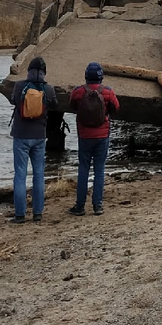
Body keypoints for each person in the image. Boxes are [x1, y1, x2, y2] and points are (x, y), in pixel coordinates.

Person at [6, 56, 57, 223]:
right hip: (39, 137)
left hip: (21, 136)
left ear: (29, 71)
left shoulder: (20, 85)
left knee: (20, 175)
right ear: (44, 72)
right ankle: (37, 213)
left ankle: (20, 215)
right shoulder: (48, 88)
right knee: (39, 174)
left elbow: (13, 100)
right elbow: (55, 104)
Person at [68, 61, 119, 216]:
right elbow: (116, 108)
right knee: (99, 170)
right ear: (101, 77)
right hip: (102, 136)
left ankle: (80, 205)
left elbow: (71, 106)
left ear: (86, 76)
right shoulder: (108, 92)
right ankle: (98, 205)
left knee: (83, 169)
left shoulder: (78, 92)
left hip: (84, 136)